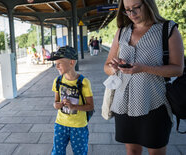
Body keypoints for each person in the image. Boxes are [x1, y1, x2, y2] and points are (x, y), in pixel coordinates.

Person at [104, 0, 184, 155]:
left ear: (148, 4)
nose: (132, 14)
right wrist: (114, 68)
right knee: (132, 150)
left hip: (154, 103)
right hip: (123, 104)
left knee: (156, 151)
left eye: (136, 8)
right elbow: (106, 67)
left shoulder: (167, 29)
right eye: (127, 10)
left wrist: (144, 68)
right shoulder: (122, 31)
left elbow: (178, 69)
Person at [48, 46, 94, 155]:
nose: (57, 66)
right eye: (56, 63)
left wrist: (74, 107)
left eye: (59, 63)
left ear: (72, 62)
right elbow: (55, 102)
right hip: (60, 124)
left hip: (78, 126)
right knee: (57, 152)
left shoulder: (84, 82)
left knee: (80, 152)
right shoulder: (57, 81)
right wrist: (57, 105)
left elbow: (90, 106)